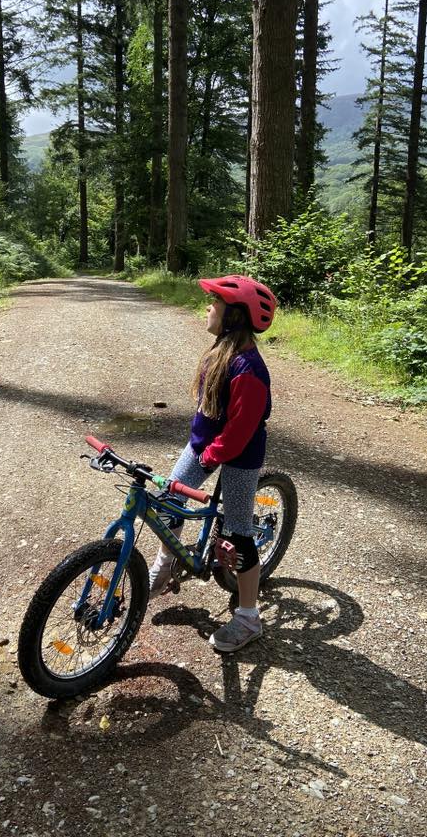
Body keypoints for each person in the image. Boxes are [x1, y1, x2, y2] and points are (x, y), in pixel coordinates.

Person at [149, 274, 277, 653]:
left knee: (237, 533)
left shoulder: (250, 369)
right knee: (167, 502)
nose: (207, 307)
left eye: (215, 303)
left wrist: (210, 455)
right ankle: (164, 566)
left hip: (239, 455)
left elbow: (240, 431)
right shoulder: (220, 353)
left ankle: (248, 617)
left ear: (235, 316)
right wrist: (202, 449)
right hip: (205, 445)